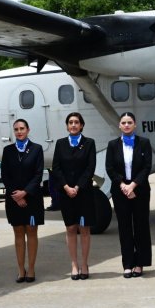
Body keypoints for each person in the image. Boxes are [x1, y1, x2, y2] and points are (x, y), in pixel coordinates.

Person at [105, 112, 153, 278]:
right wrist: (123, 185)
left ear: (135, 125)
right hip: (120, 191)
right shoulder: (113, 145)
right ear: (119, 125)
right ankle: (127, 264)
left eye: (129, 122)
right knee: (124, 227)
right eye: (124, 123)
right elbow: (110, 168)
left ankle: (140, 263)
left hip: (140, 190)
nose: (126, 125)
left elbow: (147, 167)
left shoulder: (144, 143)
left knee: (141, 226)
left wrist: (133, 185)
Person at [51, 112, 96, 280]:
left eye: (76, 122)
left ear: (82, 125)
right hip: (66, 193)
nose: (73, 125)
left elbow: (90, 168)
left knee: (84, 229)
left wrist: (77, 187)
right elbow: (56, 168)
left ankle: (84, 264)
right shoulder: (60, 144)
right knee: (70, 228)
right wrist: (66, 187)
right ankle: (74, 264)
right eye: (70, 122)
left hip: (83, 192)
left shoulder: (89, 143)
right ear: (67, 126)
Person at [1, 118, 45, 283]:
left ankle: (31, 269)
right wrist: (16, 195)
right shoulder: (8, 150)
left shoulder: (36, 149)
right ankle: (21, 269)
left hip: (32, 198)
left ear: (28, 130)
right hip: (14, 199)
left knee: (32, 232)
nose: (19, 132)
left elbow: (38, 174)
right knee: (18, 233)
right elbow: (5, 175)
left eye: (22, 128)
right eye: (16, 129)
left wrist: (25, 193)